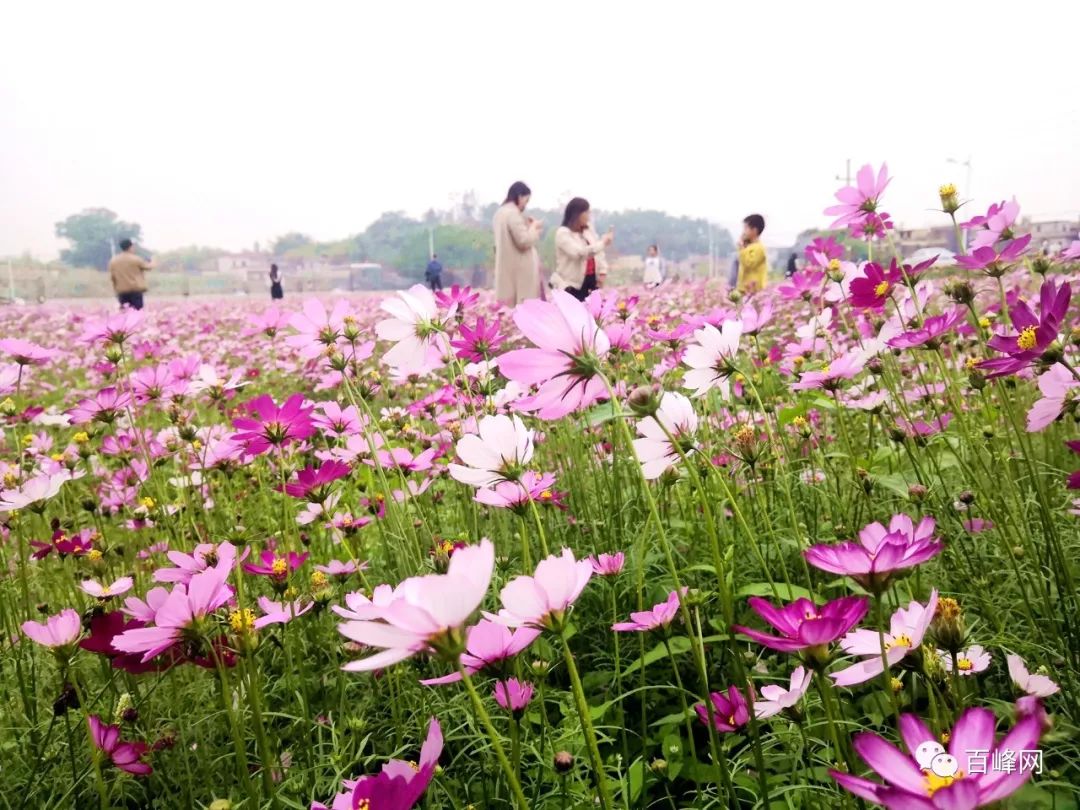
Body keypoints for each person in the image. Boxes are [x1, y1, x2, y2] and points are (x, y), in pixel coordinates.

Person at [551, 197, 612, 301]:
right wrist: (603, 243)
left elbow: (598, 253)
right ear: (577, 214)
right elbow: (578, 253)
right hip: (573, 286)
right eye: (586, 213)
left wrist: (602, 271)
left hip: (591, 281)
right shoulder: (563, 233)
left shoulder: (588, 231)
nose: (588, 217)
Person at [493, 181, 544, 306]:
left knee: (507, 309)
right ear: (520, 196)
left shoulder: (499, 213)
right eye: (526, 201)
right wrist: (534, 228)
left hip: (507, 268)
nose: (525, 206)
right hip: (520, 271)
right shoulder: (512, 213)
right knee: (523, 308)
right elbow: (524, 241)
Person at [108, 238, 153, 310]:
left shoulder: (113, 261)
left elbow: (112, 278)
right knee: (137, 312)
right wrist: (153, 262)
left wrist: (116, 289)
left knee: (124, 313)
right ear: (130, 247)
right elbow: (148, 267)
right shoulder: (136, 259)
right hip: (135, 290)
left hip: (122, 291)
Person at [736, 214, 769, 294]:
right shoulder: (748, 247)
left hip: (754, 290)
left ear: (754, 230)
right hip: (744, 288)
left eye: (746, 228)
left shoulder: (759, 248)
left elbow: (749, 264)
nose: (743, 231)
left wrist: (742, 248)